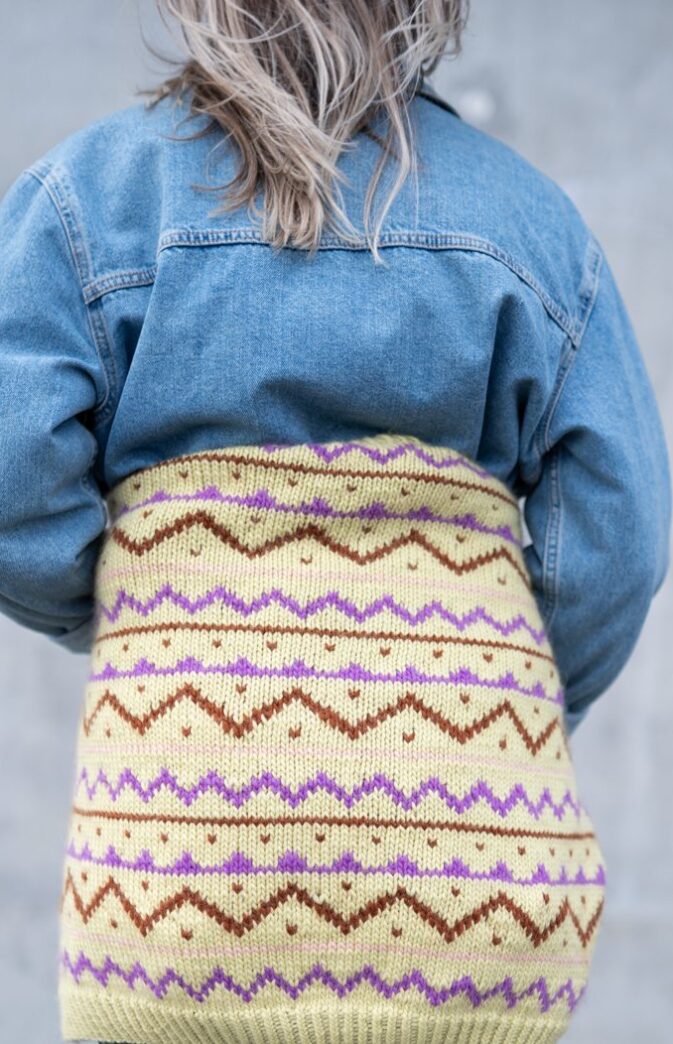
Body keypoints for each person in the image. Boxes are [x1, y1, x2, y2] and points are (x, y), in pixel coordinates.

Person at [0, 2, 670, 1043]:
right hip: (475, 884)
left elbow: (12, 482)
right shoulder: (531, 224)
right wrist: (500, 698)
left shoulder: (91, 200)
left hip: (182, 885)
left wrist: (151, 617)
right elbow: (616, 539)